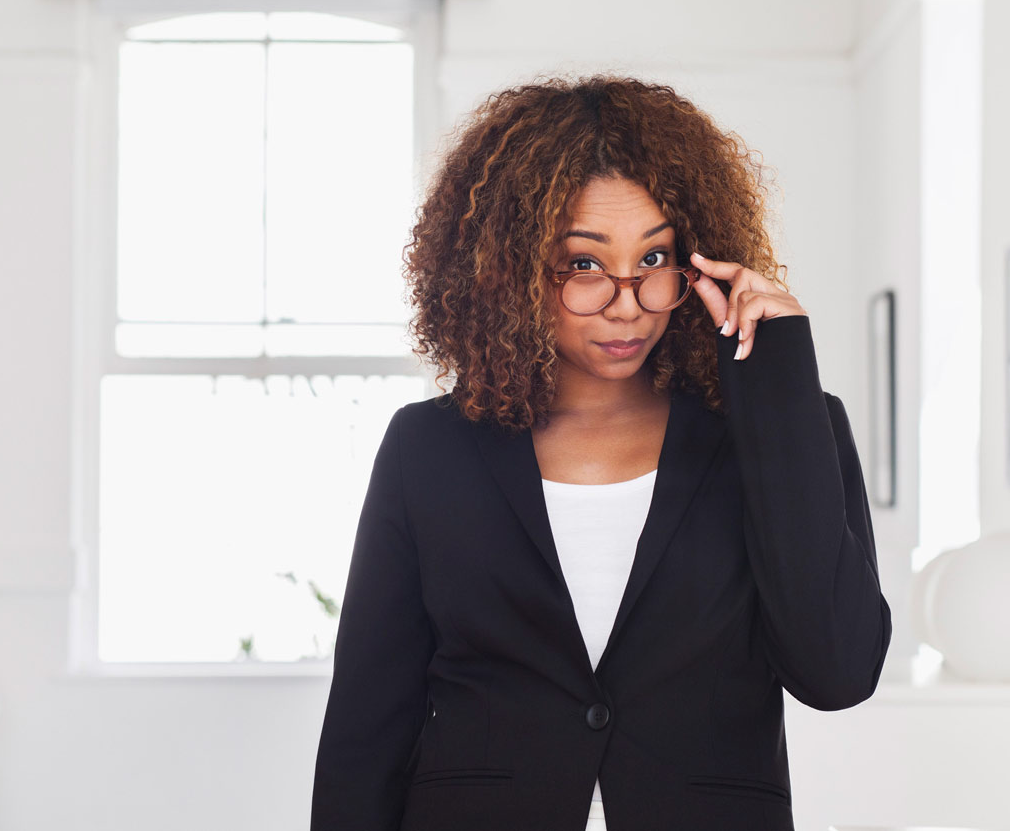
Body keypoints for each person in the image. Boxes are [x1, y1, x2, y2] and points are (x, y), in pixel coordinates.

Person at [311, 74, 892, 831]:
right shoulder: (427, 448)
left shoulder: (786, 430)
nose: (627, 303)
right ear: (508, 270)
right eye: (583, 264)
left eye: (655, 259)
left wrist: (777, 378)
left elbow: (837, 673)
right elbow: (366, 726)